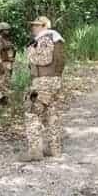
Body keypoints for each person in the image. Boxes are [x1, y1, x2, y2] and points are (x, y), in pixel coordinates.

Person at [23, 16, 65, 161]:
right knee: (53, 115)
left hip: (44, 82)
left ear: (44, 26)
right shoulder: (56, 39)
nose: (33, 28)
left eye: (36, 25)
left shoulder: (45, 39)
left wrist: (30, 52)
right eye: (33, 25)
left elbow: (45, 60)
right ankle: (55, 149)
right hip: (54, 82)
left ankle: (35, 151)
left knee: (32, 113)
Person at [0, 22, 16, 106]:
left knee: (6, 82)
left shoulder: (7, 40)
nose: (8, 32)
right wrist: (0, 65)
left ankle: (4, 98)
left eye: (8, 30)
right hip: (1, 63)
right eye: (6, 30)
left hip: (7, 63)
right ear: (1, 30)